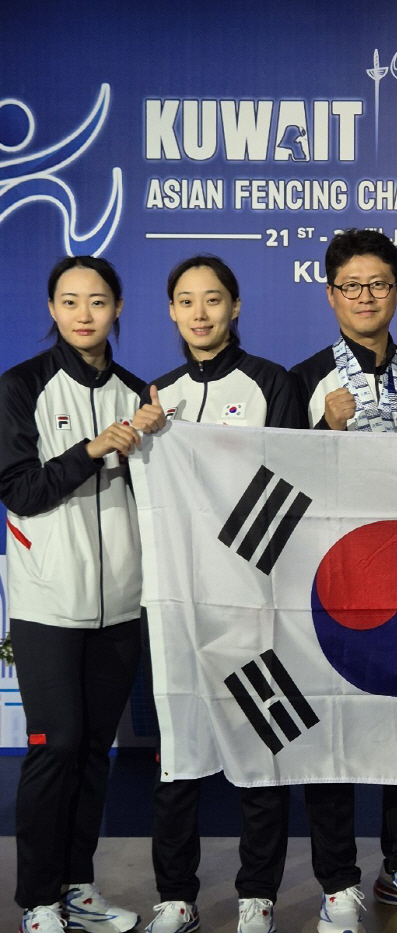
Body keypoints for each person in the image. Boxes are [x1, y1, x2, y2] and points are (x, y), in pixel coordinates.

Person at [291, 228, 397, 933]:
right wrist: (320, 432)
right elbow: (274, 484)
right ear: (329, 291)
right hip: (331, 587)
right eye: (351, 285)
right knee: (331, 733)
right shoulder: (299, 380)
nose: (366, 296)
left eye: (379, 283)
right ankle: (337, 882)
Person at [0, 256, 165, 933]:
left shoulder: (139, 392)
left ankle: (76, 884)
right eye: (69, 301)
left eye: (97, 301)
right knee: (56, 744)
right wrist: (94, 450)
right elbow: (20, 489)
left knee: (97, 748)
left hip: (121, 604)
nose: (83, 313)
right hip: (47, 604)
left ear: (118, 307)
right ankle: (36, 898)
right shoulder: (21, 386)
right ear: (51, 310)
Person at [143, 255, 299, 933]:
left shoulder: (272, 383)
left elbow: (297, 487)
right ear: (171, 312)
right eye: (186, 300)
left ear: (236, 307)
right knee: (178, 749)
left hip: (254, 600)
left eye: (213, 299)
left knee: (261, 748)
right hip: (180, 601)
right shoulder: (156, 396)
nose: (200, 313)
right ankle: (176, 894)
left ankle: (257, 894)